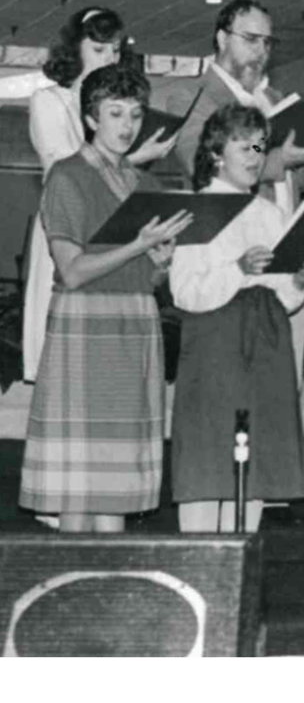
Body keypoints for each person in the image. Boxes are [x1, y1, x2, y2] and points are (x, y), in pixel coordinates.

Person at [19, 64, 193, 532]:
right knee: (78, 487)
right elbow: (73, 271)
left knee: (116, 484)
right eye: (115, 113)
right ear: (92, 118)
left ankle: (107, 592)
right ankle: (71, 592)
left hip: (134, 324)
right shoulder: (68, 177)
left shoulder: (146, 184)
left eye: (135, 115)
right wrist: (137, 246)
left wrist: (159, 261)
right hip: (85, 327)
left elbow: (147, 281)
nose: (127, 126)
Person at [172, 0, 304, 384]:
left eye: (268, 42)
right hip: (230, 261)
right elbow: (200, 160)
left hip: (284, 248)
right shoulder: (193, 97)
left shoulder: (276, 100)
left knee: (282, 387)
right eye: (251, 39)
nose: (260, 52)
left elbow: (288, 178)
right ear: (221, 38)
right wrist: (279, 157)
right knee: (232, 384)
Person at [169, 105, 304, 533]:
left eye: (260, 146)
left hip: (267, 344)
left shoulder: (271, 214)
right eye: (243, 144)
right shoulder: (197, 209)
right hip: (215, 344)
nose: (255, 155)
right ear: (216, 152)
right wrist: (239, 270)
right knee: (206, 467)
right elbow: (184, 291)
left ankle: (239, 575)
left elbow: (286, 298)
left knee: (256, 472)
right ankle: (197, 579)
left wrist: (300, 281)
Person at [23, 6, 177, 384]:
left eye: (116, 50)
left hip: (117, 236)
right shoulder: (51, 100)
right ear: (74, 50)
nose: (110, 59)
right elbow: (65, 168)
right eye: (99, 49)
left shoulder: (129, 110)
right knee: (66, 361)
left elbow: (227, 152)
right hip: (71, 229)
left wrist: (266, 152)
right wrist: (137, 156)